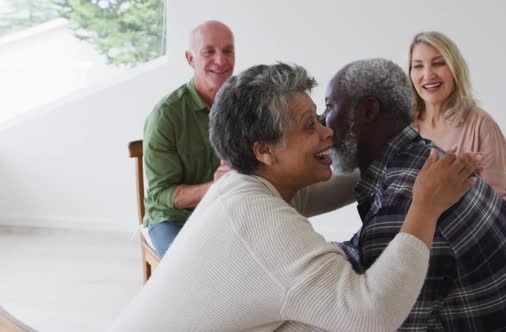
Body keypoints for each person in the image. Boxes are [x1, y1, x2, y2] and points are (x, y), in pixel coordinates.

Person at [110, 63, 477, 331]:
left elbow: (343, 182)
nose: (327, 131)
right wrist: (425, 206)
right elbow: (372, 314)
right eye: (309, 126)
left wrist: (396, 156)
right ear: (264, 150)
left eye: (320, 117)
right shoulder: (261, 224)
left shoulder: (242, 186)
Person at [324, 58, 506, 331]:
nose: (321, 121)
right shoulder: (427, 160)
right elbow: (364, 247)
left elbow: (386, 323)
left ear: (369, 110)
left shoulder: (402, 206)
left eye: (328, 106)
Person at [142, 20, 234, 257]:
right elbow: (161, 194)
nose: (221, 60)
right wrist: (215, 188)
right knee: (185, 272)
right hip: (173, 220)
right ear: (190, 59)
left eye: (227, 51)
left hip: (226, 211)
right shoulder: (166, 115)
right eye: (209, 51)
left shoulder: (243, 104)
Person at [409, 31, 506, 199]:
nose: (427, 75)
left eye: (439, 63)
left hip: (462, 225)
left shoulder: (482, 126)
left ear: (456, 69)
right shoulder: (403, 126)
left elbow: (497, 204)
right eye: (418, 66)